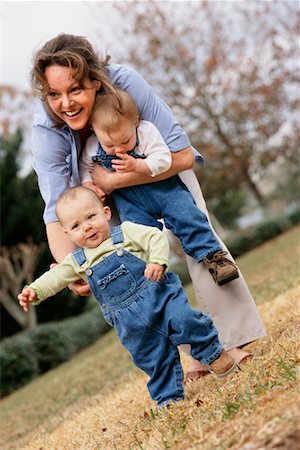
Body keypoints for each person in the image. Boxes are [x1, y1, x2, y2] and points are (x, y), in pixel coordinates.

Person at [30, 33, 265, 380]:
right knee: (139, 269)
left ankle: (235, 337)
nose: (65, 103)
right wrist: (74, 267)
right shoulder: (45, 128)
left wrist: (113, 180)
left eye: (75, 89)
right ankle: (201, 353)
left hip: (162, 169)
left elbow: (183, 157)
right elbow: (57, 208)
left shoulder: (126, 83)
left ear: (95, 80)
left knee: (198, 239)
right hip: (110, 200)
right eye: (54, 94)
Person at [18, 187, 237, 406]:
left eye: (91, 217)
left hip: (160, 295)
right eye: (76, 226)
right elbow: (54, 278)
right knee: (151, 357)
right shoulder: (77, 261)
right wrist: (34, 291)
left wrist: (157, 261)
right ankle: (168, 397)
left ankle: (212, 354)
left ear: (106, 212)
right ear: (67, 233)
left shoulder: (126, 233)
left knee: (184, 320)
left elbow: (155, 238)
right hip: (130, 323)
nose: (87, 227)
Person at [80, 88, 239, 286]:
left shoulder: (146, 132)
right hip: (131, 202)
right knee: (137, 236)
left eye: (125, 141)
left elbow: (164, 159)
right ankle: (153, 279)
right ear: (95, 129)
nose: (118, 149)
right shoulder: (92, 145)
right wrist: (88, 183)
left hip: (165, 190)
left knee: (187, 215)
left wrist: (138, 165)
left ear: (135, 122)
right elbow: (85, 166)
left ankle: (214, 257)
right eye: (110, 145)